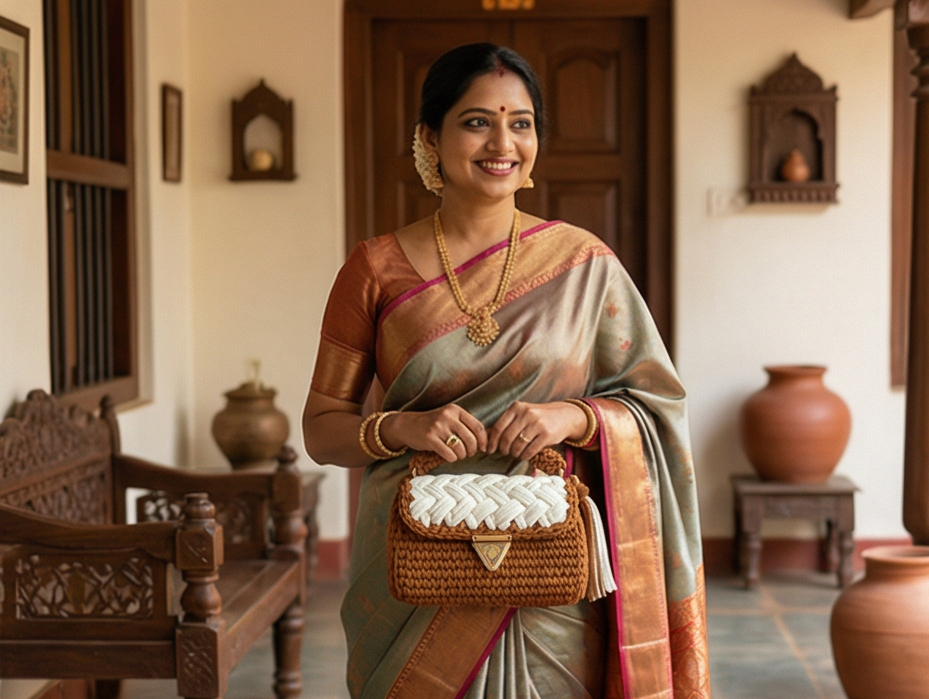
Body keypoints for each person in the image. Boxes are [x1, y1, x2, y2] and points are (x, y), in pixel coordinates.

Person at [303, 43, 710, 699]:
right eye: (475, 121)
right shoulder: (374, 268)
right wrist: (404, 427)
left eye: (520, 122)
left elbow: (655, 405)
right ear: (429, 138)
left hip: (547, 555)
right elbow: (321, 429)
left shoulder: (585, 265)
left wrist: (571, 415)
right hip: (412, 561)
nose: (502, 142)